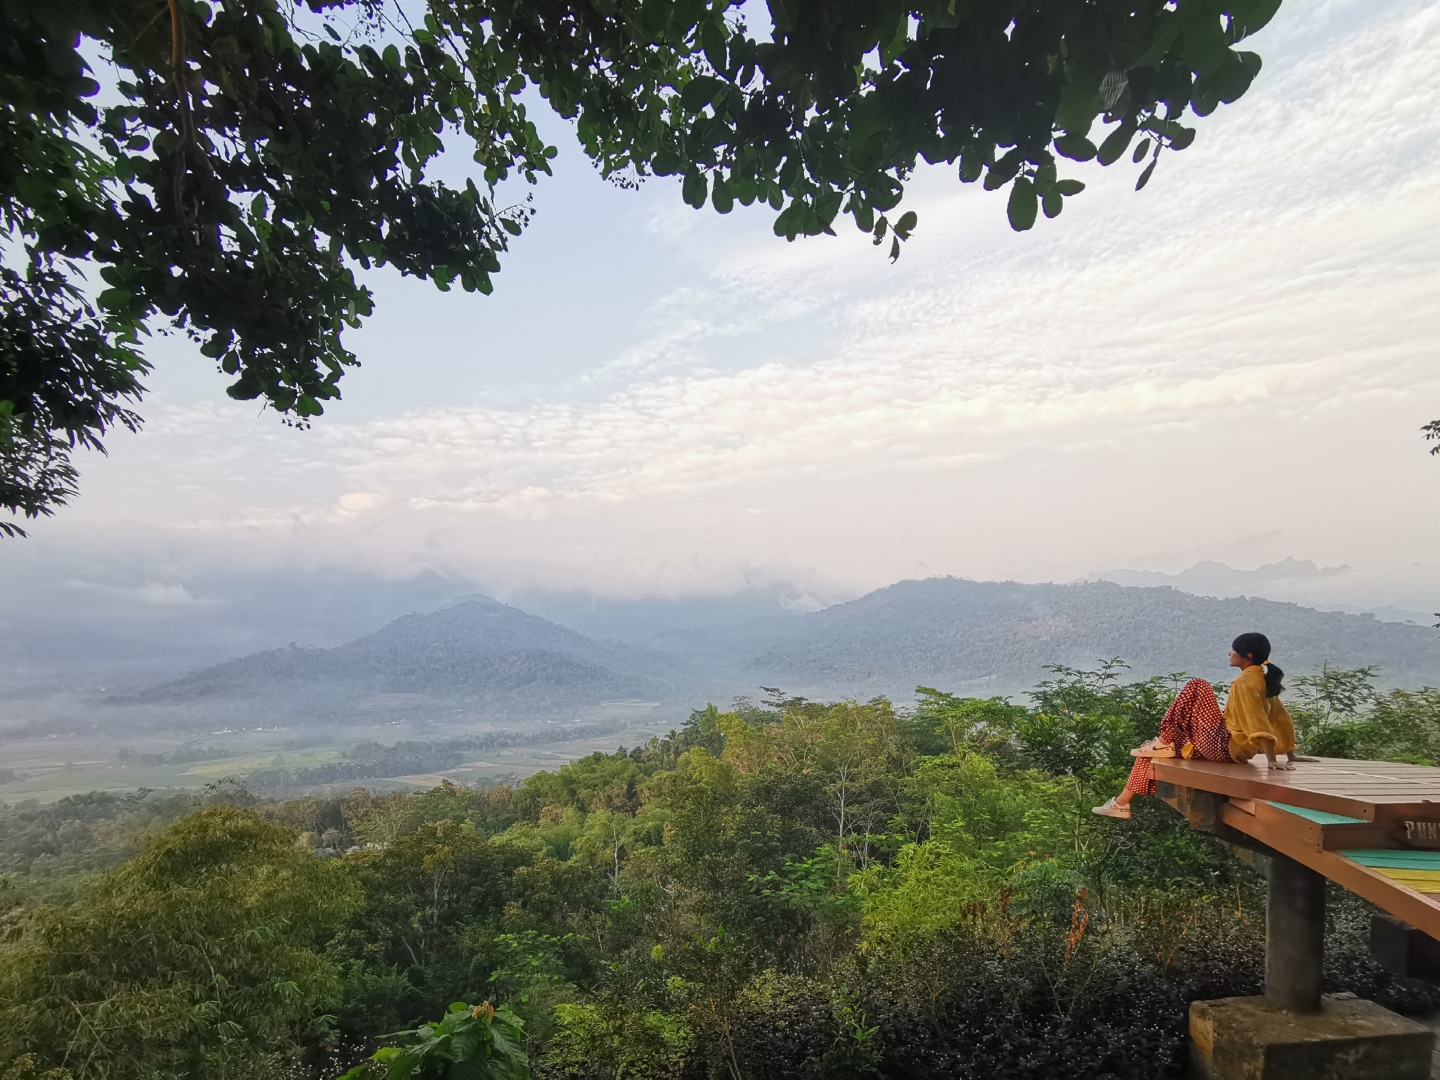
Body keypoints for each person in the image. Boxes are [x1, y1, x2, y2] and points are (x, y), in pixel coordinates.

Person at [1092, 632, 1300, 820]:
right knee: (1152, 754)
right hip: (1228, 747)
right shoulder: (1262, 680)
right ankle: (1122, 803)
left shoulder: (1246, 681)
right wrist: (1290, 754)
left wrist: (1272, 760)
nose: (1230, 653)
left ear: (1248, 656)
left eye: (1234, 650)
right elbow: (1281, 719)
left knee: (1197, 685)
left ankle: (1162, 742)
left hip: (1226, 746)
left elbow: (1259, 722)